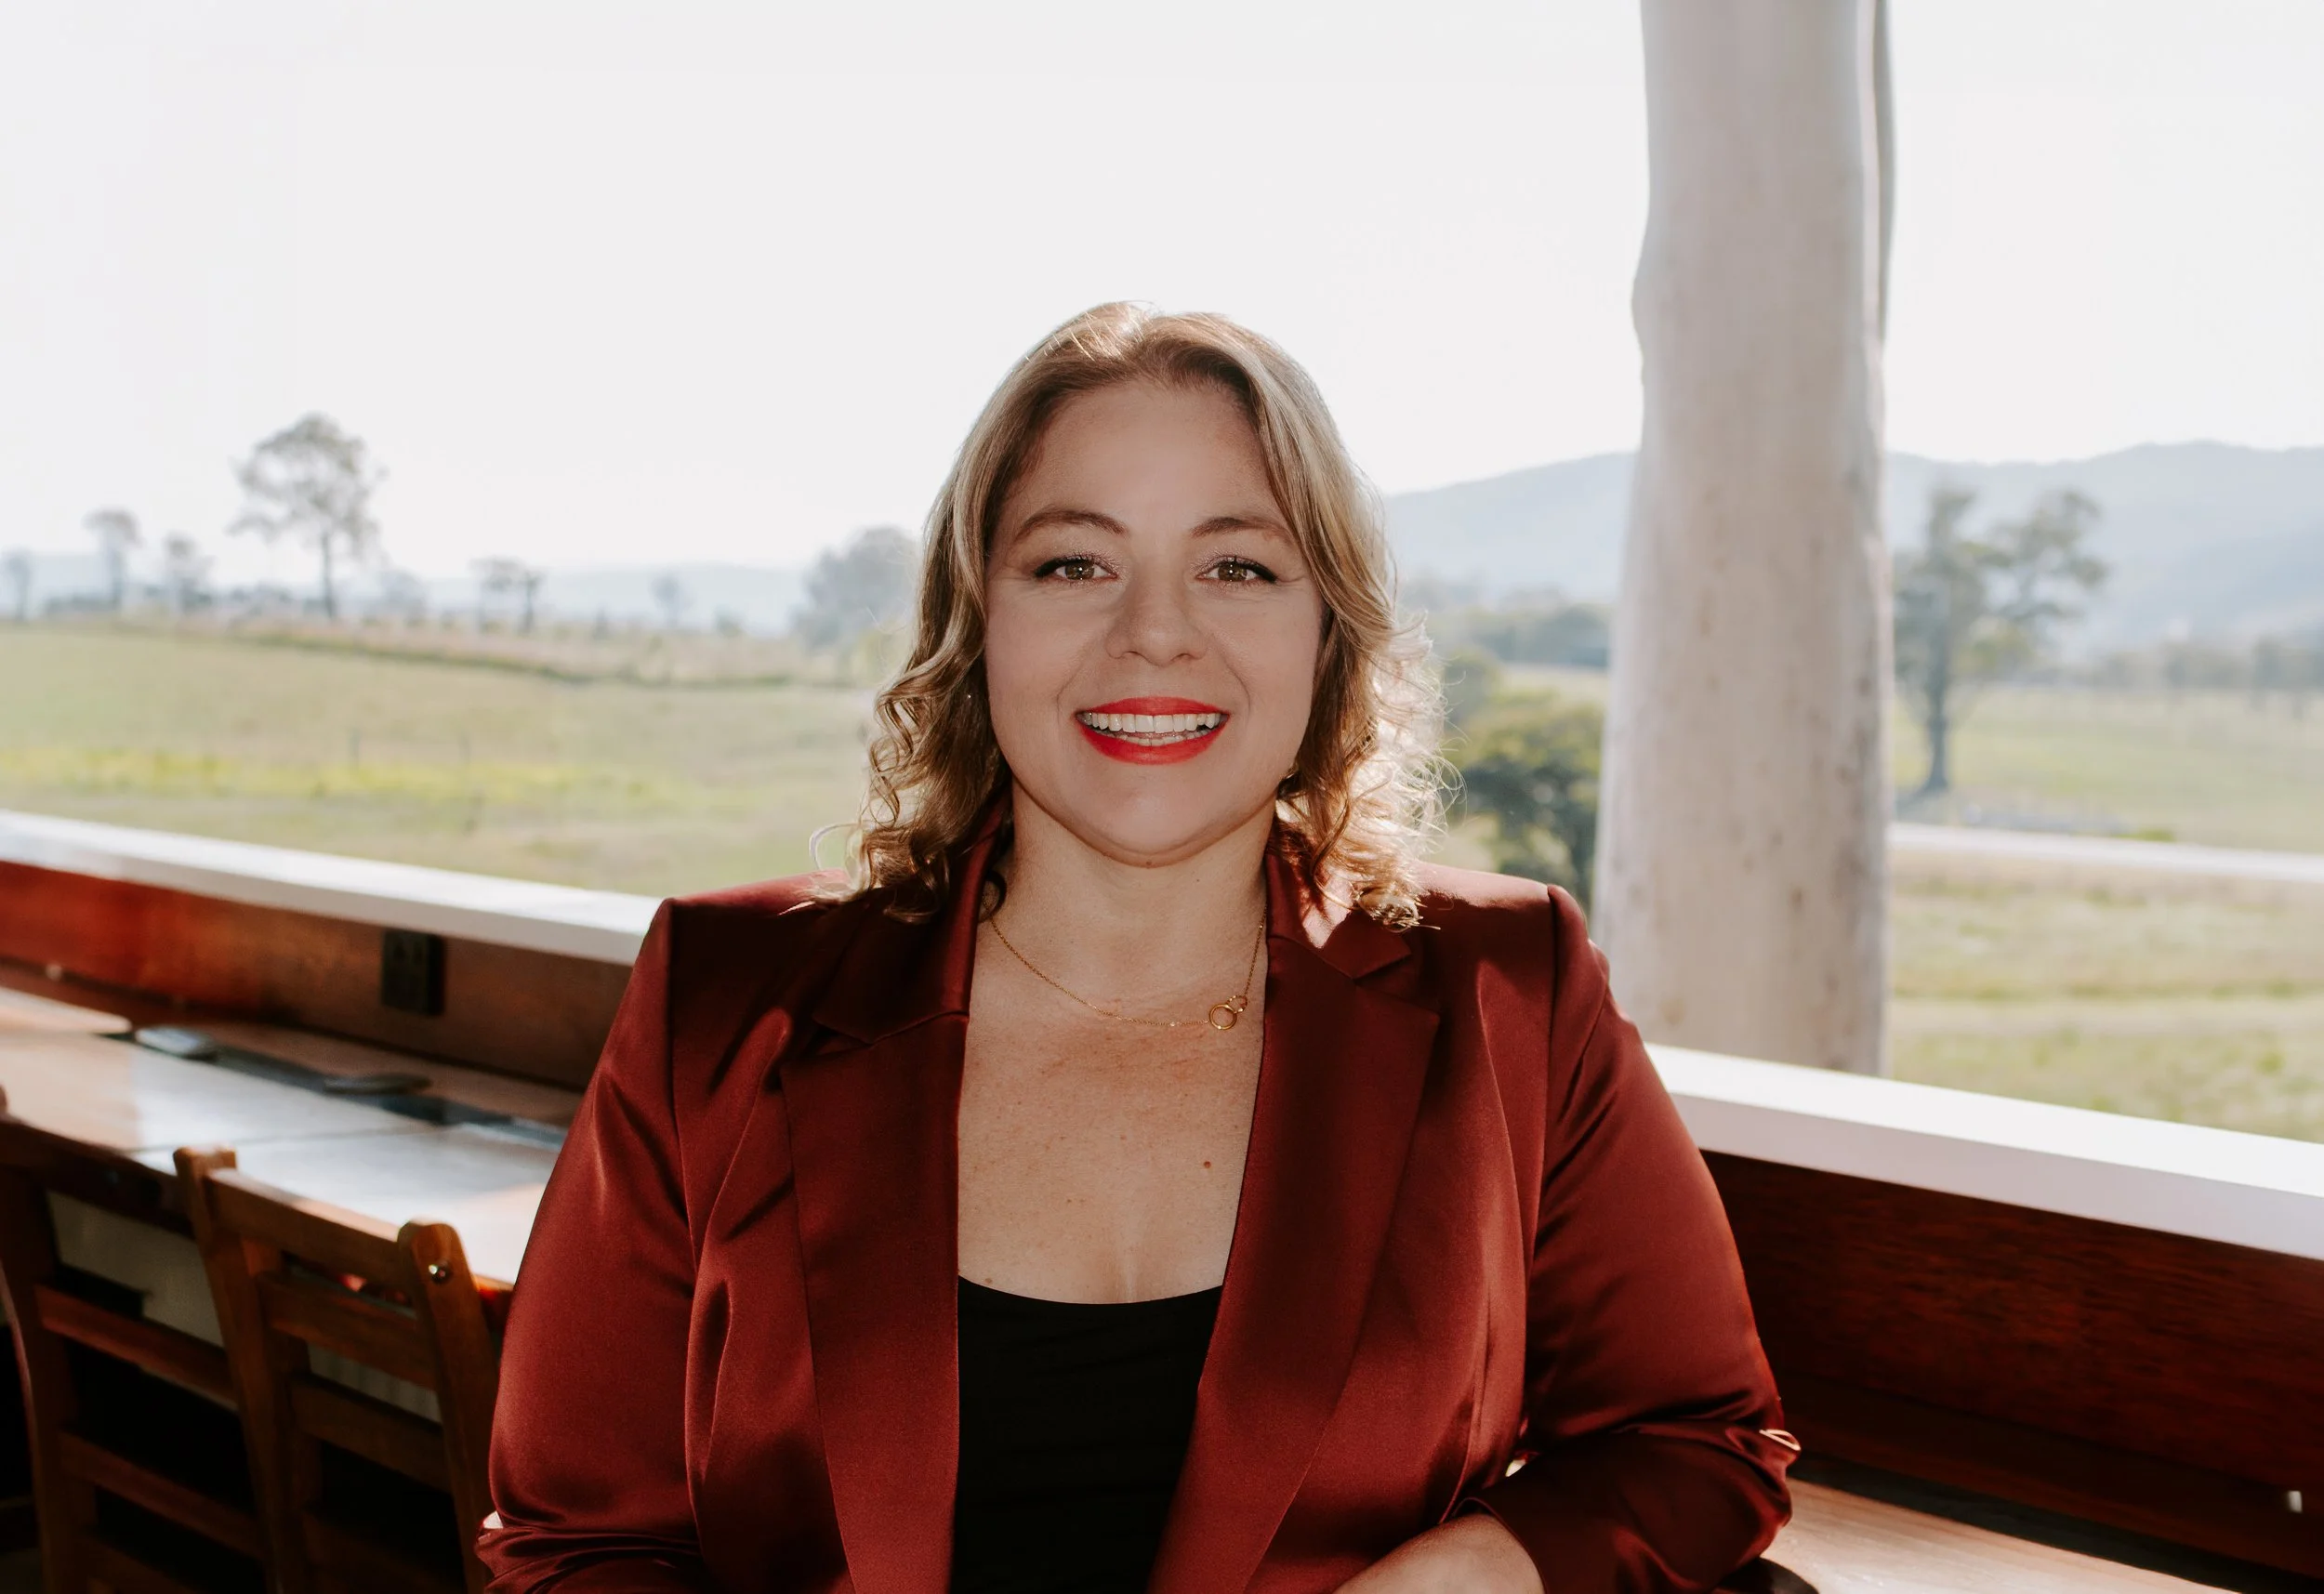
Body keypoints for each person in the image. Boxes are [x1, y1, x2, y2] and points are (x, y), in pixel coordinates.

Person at [478, 304, 1794, 1594]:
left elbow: (1698, 1437)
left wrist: (1465, 1575)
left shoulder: (1512, 985)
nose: (1156, 632)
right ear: (976, 619)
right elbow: (576, 1539)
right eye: (1074, 564)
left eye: (1238, 567)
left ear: (1326, 632)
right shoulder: (720, 995)